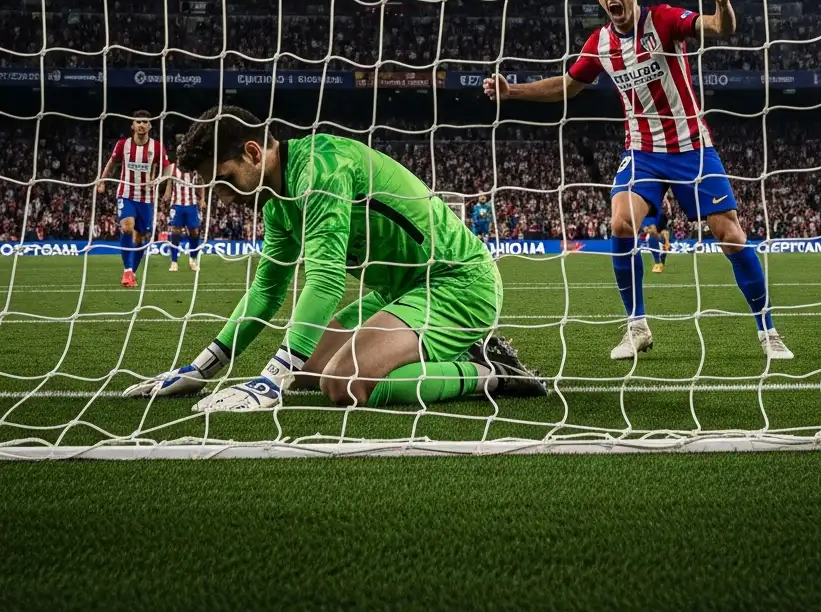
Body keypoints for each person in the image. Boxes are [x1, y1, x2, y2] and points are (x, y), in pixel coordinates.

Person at [123, 106, 546, 411]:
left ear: (253, 153)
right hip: (403, 289)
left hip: (458, 283)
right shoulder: (277, 201)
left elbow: (326, 282)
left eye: (225, 180)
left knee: (343, 383)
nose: (225, 198)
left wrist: (271, 380)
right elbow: (267, 290)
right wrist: (200, 369)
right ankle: (443, 350)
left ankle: (489, 371)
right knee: (307, 369)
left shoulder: (321, 171)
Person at [484, 0, 792, 361]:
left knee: (730, 236)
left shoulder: (663, 20)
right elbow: (568, 85)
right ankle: (637, 327)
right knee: (620, 222)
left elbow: (720, 27)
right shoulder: (600, 44)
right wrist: (513, 92)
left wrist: (722, 2)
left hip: (691, 147)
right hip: (642, 152)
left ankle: (768, 331)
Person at [96, 110, 168, 288]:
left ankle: (131, 273)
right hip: (126, 193)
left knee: (141, 238)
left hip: (147, 198)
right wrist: (102, 181)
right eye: (138, 122)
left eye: (145, 122)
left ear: (150, 126)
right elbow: (112, 162)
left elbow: (167, 167)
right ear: (132, 125)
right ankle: (127, 269)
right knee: (127, 227)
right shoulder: (123, 144)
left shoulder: (157, 147)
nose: (141, 125)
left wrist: (161, 179)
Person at [162, 135, 204, 272]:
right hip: (177, 204)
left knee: (194, 232)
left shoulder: (193, 168)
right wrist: (166, 195)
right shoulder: (172, 168)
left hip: (191, 204)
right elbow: (169, 183)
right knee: (175, 231)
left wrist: (202, 199)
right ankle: (174, 262)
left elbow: (201, 183)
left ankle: (192, 259)